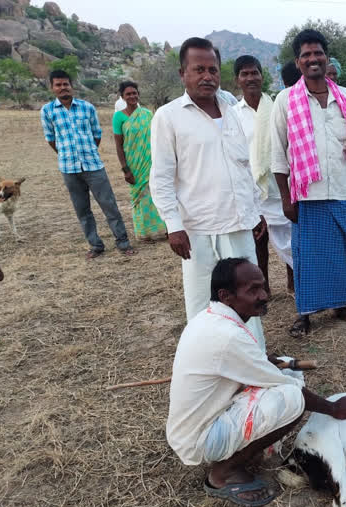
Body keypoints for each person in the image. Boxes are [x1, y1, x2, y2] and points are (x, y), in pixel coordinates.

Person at [167, 257, 346, 507]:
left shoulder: (209, 318)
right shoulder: (227, 335)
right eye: (253, 290)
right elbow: (290, 389)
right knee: (293, 398)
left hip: (196, 427)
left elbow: (240, 363)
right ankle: (222, 474)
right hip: (201, 438)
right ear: (226, 295)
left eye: (263, 286)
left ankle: (243, 451)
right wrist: (333, 408)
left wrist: (262, 361)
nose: (264, 295)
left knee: (286, 367)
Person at [150, 37, 267, 333]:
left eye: (213, 70)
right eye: (198, 69)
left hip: (238, 224)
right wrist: (173, 224)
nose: (207, 76)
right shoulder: (168, 116)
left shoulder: (231, 109)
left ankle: (251, 360)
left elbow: (243, 167)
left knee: (246, 298)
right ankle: (209, 363)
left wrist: (256, 210)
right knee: (203, 302)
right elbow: (161, 176)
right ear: (182, 73)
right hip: (197, 230)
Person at [270, 29, 346, 337]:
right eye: (306, 55)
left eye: (318, 53)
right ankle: (305, 313)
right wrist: (286, 200)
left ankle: (341, 305)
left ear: (326, 58)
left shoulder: (343, 96)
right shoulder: (285, 100)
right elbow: (278, 155)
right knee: (307, 258)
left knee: (344, 251)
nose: (313, 59)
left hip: (342, 190)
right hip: (306, 195)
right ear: (298, 62)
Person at [40, 69, 135, 260]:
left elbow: (96, 135)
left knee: (109, 205)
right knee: (82, 210)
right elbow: (51, 139)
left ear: (71, 86)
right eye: (58, 85)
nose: (62, 88)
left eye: (65, 84)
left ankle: (123, 242)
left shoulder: (87, 107)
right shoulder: (47, 111)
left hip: (93, 166)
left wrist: (87, 151)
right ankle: (95, 245)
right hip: (69, 168)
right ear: (52, 88)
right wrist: (67, 154)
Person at [232, 55, 294, 296]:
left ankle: (294, 285)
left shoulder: (278, 106)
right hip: (252, 192)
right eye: (245, 74)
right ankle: (263, 290)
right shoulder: (234, 114)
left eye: (254, 72)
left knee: (291, 242)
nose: (250, 78)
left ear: (262, 75)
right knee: (258, 246)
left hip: (282, 188)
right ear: (237, 80)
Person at [112, 81, 167, 242]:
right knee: (139, 197)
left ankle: (163, 229)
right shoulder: (119, 117)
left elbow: (157, 138)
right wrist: (125, 169)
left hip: (151, 162)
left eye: (134, 93)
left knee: (157, 194)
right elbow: (119, 145)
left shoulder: (147, 114)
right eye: (128, 94)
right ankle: (144, 233)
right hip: (134, 164)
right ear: (122, 97)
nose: (132, 96)